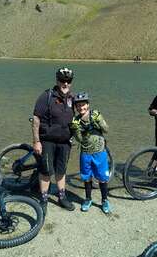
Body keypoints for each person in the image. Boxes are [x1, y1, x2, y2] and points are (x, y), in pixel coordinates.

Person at [32, 67, 75, 214]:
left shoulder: (72, 98)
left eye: (68, 81)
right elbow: (36, 118)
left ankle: (61, 197)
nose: (65, 84)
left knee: (61, 170)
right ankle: (43, 199)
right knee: (46, 170)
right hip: (47, 140)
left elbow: (81, 115)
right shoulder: (47, 96)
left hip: (65, 142)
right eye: (62, 80)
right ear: (57, 81)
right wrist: (36, 141)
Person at [70, 92, 111, 214]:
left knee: (103, 178)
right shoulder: (76, 120)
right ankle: (88, 199)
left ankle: (105, 200)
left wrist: (99, 121)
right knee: (86, 178)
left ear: (88, 105)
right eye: (78, 106)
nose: (81, 108)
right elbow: (79, 140)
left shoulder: (95, 115)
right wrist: (75, 129)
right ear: (76, 107)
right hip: (85, 153)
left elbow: (106, 130)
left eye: (83, 105)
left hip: (99, 152)